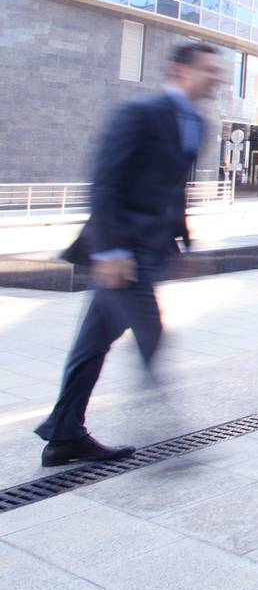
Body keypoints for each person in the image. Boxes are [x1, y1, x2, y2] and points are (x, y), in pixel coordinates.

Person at [36, 41, 229, 465]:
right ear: (181, 70)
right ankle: (171, 440)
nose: (218, 78)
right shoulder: (140, 115)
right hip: (122, 255)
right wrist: (109, 251)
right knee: (152, 333)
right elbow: (105, 183)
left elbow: (172, 188)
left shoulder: (197, 121)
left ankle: (64, 434)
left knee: (91, 346)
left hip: (147, 249)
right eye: (210, 70)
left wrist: (185, 243)